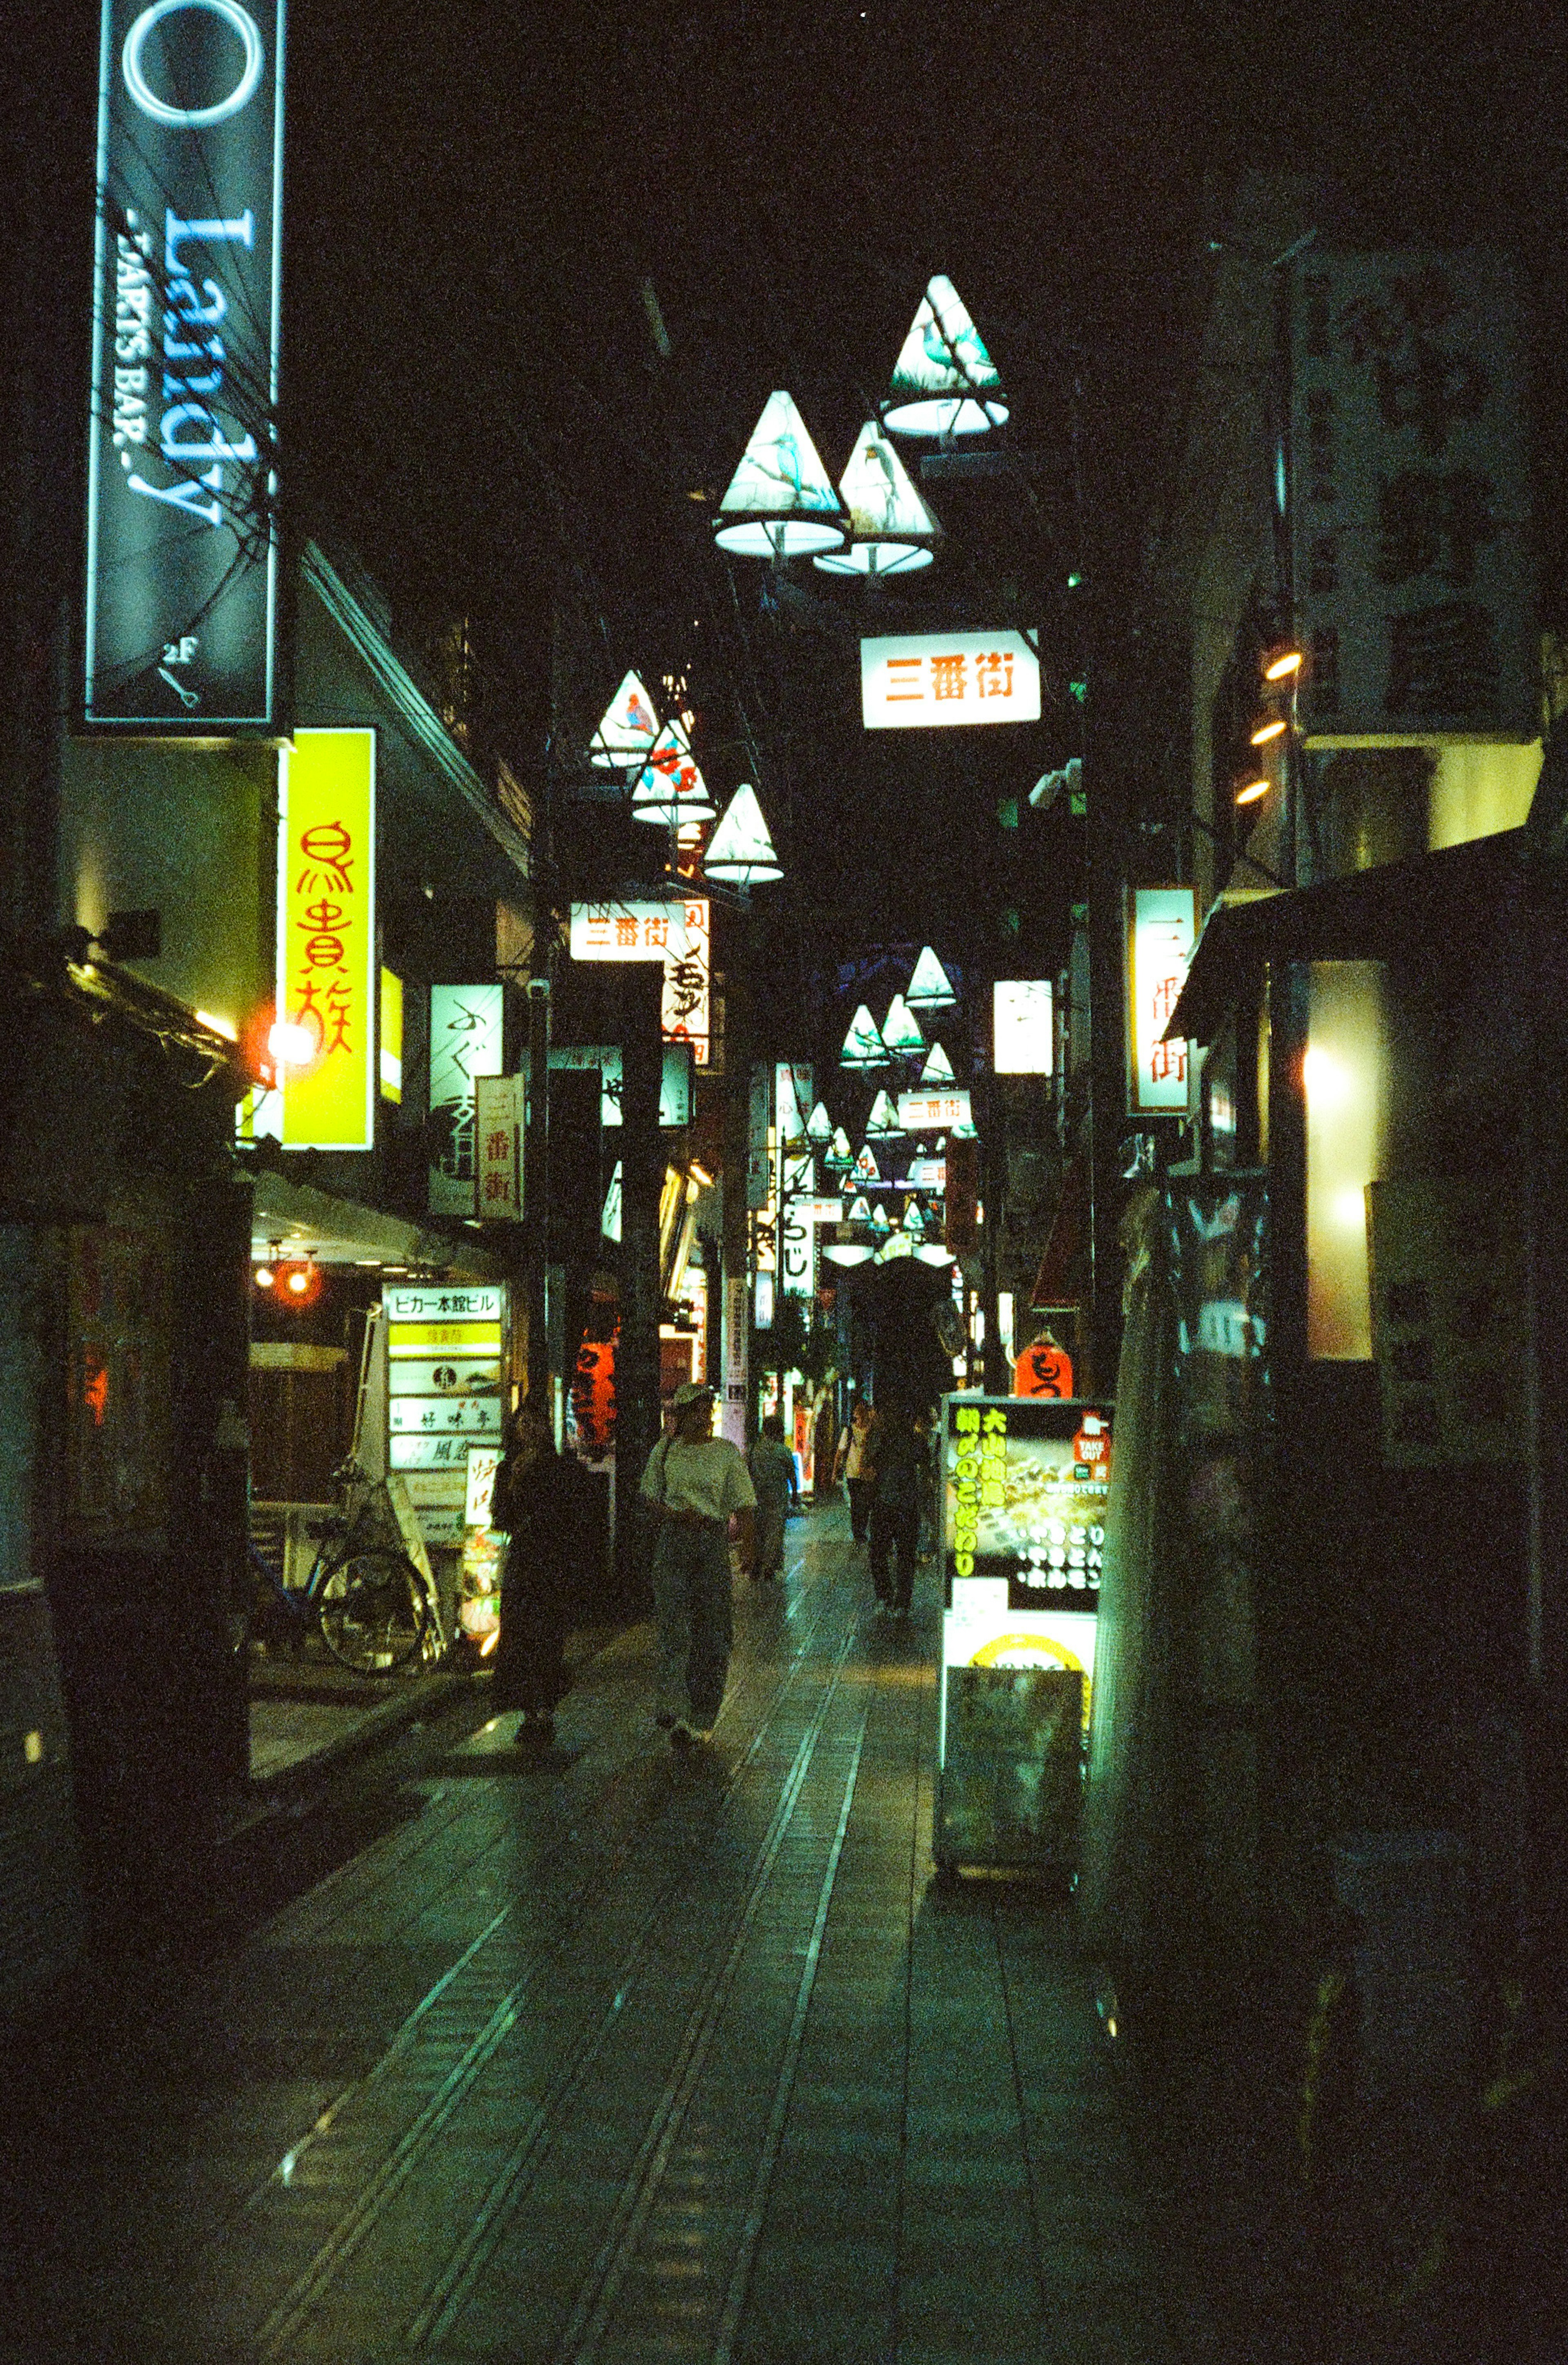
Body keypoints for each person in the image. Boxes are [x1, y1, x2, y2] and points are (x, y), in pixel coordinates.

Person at [640, 1382, 756, 1746]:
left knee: (714, 1631)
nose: (703, 1417)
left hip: (711, 1544)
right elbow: (649, 1497)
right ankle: (673, 1705)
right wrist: (674, 1514)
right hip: (674, 1541)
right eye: (695, 1410)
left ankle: (702, 1713)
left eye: (707, 1410)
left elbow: (745, 1505)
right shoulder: (665, 1451)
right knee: (674, 1626)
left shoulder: (725, 1454)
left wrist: (751, 1551)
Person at [488, 1403, 584, 1750]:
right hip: (524, 1560)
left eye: (535, 1422)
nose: (528, 1429)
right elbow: (500, 1517)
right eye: (523, 1423)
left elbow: (571, 1516)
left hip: (552, 1562)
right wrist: (514, 1483)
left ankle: (543, 1709)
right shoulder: (506, 1469)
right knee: (520, 1636)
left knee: (547, 1636)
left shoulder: (560, 1468)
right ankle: (531, 1710)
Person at [868, 1401, 923, 1618]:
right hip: (907, 1506)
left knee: (879, 1553)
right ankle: (901, 1602)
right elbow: (925, 1465)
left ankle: (885, 1596)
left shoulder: (882, 1438)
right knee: (905, 1556)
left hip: (885, 1504)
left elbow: (870, 1465)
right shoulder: (916, 1440)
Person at [746, 1414, 799, 1583]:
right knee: (774, 1534)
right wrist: (796, 1497)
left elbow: (748, 1473)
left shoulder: (755, 1451)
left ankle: (756, 1564)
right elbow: (792, 1476)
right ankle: (769, 1566)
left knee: (759, 1531)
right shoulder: (783, 1451)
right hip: (777, 1498)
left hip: (757, 1497)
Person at [833, 1399, 879, 1543]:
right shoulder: (849, 1430)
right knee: (856, 1503)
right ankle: (858, 1532)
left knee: (865, 1503)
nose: (859, 1414)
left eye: (862, 1411)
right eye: (857, 1411)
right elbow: (840, 1452)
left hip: (867, 1473)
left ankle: (862, 1529)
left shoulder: (873, 1431)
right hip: (852, 1472)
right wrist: (835, 1472)